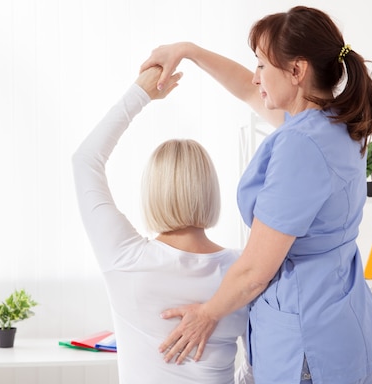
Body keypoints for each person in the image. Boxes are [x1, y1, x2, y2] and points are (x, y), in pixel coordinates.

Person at [140, 5, 372, 384]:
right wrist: (188, 49)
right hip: (346, 331)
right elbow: (246, 88)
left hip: (309, 350)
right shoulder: (339, 123)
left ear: (296, 71)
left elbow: (256, 271)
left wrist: (207, 314)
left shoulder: (301, 145)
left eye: (261, 65)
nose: (256, 77)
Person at [72, 66, 252, 384]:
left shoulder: (125, 259)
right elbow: (257, 367)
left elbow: (86, 159)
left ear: (151, 192)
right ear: (211, 190)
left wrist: (141, 93)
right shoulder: (245, 269)